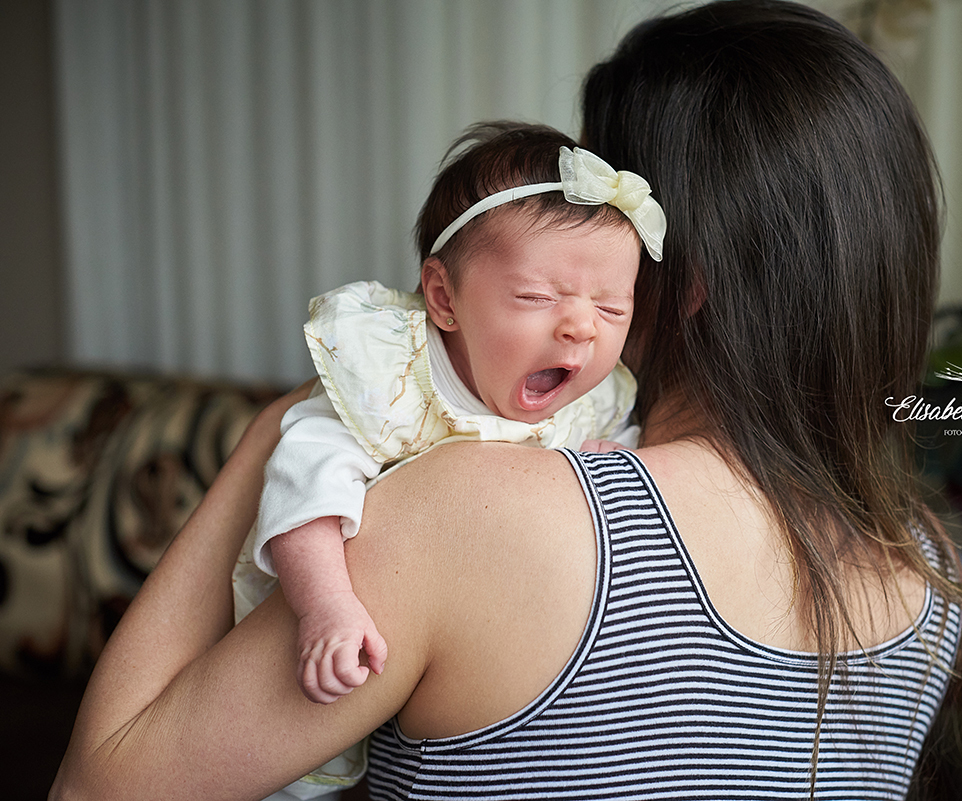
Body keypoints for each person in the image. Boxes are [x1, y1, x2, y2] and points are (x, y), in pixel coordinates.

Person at [51, 2, 962, 800]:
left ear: (678, 278)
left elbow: (102, 781)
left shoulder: (474, 509)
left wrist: (281, 429)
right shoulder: (926, 568)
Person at [233, 122, 664, 799]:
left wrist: (613, 459)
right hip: (326, 626)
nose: (581, 326)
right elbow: (301, 482)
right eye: (536, 297)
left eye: (612, 308)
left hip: (464, 673)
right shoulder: (391, 377)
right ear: (443, 297)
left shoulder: (595, 401)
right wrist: (325, 606)